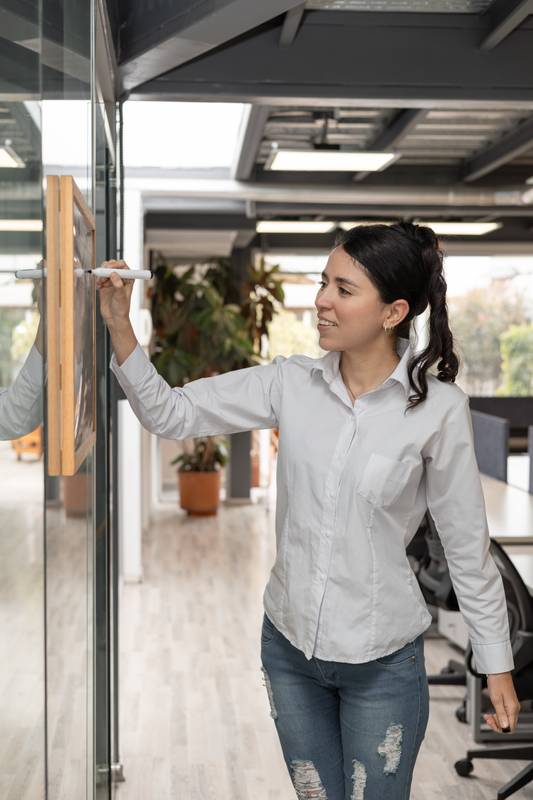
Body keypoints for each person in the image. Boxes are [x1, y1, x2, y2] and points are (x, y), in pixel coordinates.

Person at [97, 222, 520, 800]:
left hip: (382, 662)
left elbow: (467, 548)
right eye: (324, 283)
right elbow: (170, 414)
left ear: (393, 312)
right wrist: (119, 324)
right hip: (289, 651)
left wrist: (496, 664)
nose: (321, 300)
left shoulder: (438, 410)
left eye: (343, 289)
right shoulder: (290, 384)